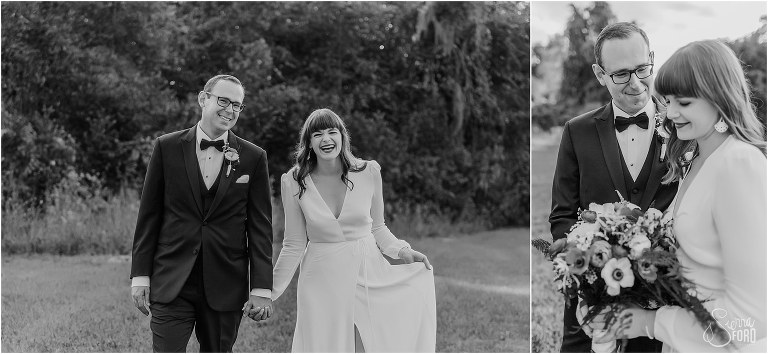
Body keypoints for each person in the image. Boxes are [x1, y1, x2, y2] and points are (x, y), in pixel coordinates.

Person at [611, 40, 767, 352]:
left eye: (684, 102)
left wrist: (650, 323)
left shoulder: (738, 163)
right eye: (667, 101)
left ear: (718, 98)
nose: (671, 113)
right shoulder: (696, 158)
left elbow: (751, 321)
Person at [549, 22, 677, 352]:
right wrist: (590, 268)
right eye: (621, 74)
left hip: (663, 302)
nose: (636, 83)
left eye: (642, 69)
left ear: (651, 59)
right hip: (591, 298)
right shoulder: (577, 132)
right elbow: (562, 216)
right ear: (600, 74)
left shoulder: (683, 128)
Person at [272, 108, 436, 352]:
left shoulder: (368, 172)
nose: (326, 139)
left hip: (366, 269)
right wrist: (269, 291)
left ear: (342, 136)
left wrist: (403, 251)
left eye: (332, 132)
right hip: (320, 276)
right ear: (309, 142)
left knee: (366, 343)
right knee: (325, 344)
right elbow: (294, 244)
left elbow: (379, 228)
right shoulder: (294, 181)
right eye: (317, 134)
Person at [130, 74, 274, 352]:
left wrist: (261, 289)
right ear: (203, 99)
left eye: (237, 105)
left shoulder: (254, 157)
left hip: (225, 282)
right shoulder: (166, 147)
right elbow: (149, 216)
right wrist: (140, 277)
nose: (230, 110)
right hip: (171, 278)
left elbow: (260, 228)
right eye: (223, 101)